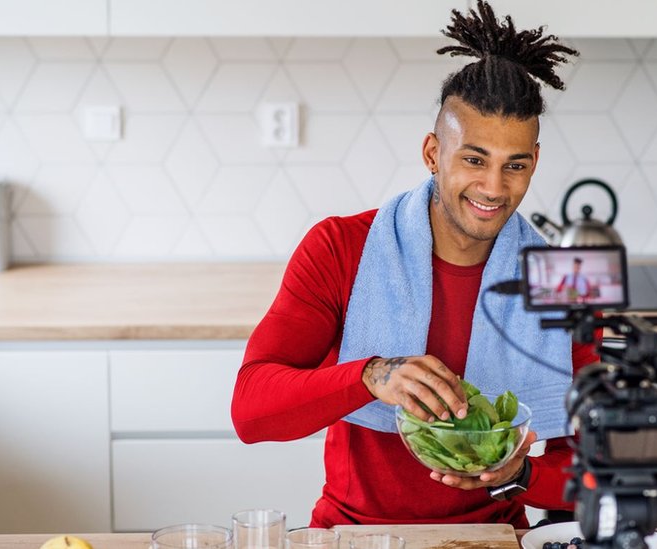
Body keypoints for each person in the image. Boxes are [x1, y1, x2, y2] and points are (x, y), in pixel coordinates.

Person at [231, 1, 600, 528]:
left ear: (534, 162)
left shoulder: (564, 277)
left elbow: (604, 465)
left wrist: (521, 475)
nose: (494, 188)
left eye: (514, 166)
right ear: (432, 153)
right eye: (473, 159)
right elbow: (250, 412)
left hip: (492, 536)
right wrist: (371, 375)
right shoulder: (339, 248)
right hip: (352, 532)